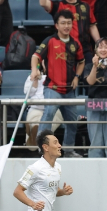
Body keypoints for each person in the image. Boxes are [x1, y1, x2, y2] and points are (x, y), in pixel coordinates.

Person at [31, 10, 85, 158]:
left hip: (69, 89)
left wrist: (77, 77)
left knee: (72, 122)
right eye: (63, 23)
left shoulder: (75, 43)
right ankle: (42, 149)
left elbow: (81, 62)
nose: (66, 26)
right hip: (52, 87)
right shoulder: (49, 41)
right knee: (48, 115)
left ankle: (68, 150)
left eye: (69, 23)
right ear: (57, 25)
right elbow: (35, 57)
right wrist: (33, 70)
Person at [85, 37, 107, 158]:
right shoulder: (89, 65)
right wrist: (95, 66)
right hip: (93, 101)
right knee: (95, 138)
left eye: (106, 47)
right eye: (100, 47)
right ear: (95, 50)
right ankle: (95, 165)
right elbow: (90, 82)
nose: (103, 49)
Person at [23, 70, 65, 148]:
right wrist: (35, 80)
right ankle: (36, 132)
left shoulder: (58, 77)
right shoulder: (31, 77)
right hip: (36, 108)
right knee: (34, 120)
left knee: (50, 120)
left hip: (54, 109)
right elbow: (28, 93)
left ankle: (36, 134)